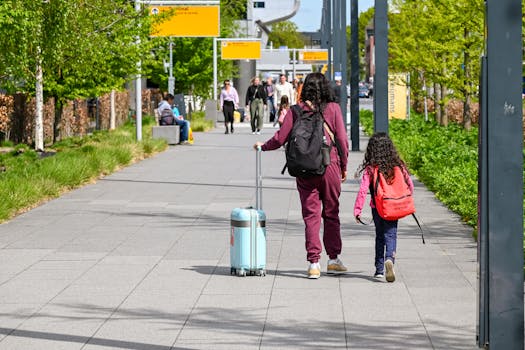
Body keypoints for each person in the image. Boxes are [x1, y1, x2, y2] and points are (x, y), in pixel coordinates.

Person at [254, 72, 349, 279]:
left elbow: (280, 139)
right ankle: (333, 260)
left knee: (311, 215)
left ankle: (313, 263)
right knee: (331, 213)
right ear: (325, 88)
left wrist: (263, 146)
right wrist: (344, 165)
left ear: (305, 88)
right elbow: (341, 139)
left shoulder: (296, 110)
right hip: (329, 164)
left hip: (305, 168)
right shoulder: (333, 108)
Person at [353, 132, 414, 283]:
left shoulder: (370, 168)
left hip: (378, 207)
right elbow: (410, 186)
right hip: (394, 206)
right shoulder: (398, 165)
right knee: (391, 235)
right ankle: (390, 259)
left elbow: (362, 190)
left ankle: (379, 269)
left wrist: (358, 210)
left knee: (380, 236)